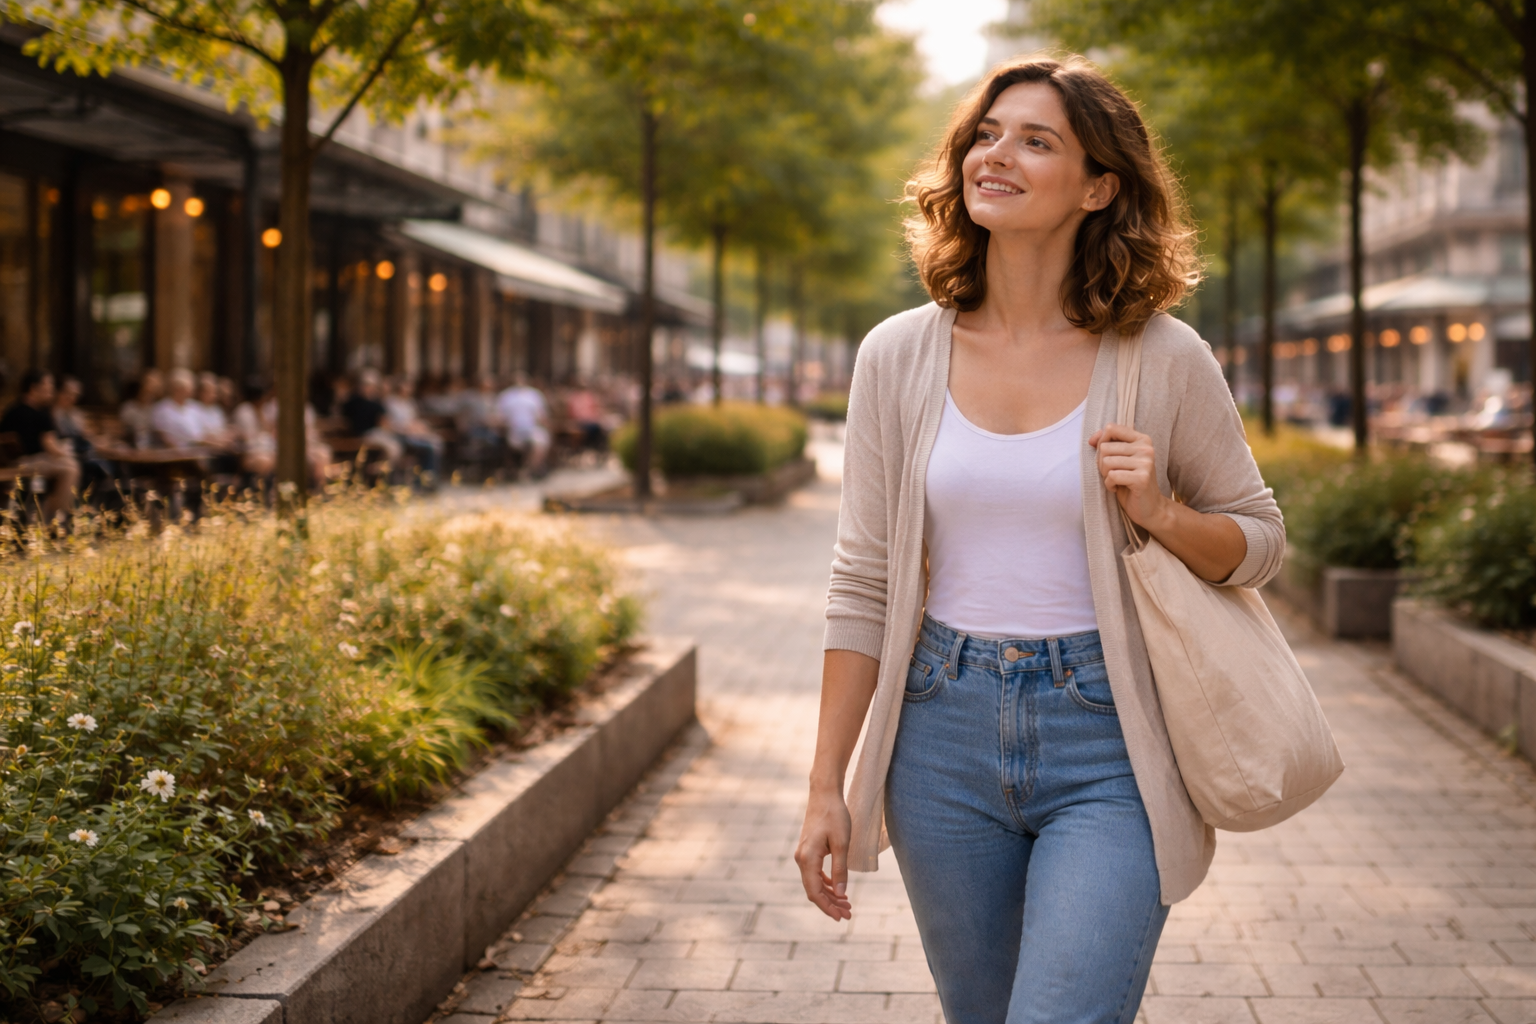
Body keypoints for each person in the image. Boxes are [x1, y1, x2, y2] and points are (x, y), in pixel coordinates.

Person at [795, 55, 1285, 1024]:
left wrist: (1164, 514)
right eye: (985, 133)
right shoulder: (898, 354)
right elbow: (863, 580)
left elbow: (1262, 542)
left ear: (1099, 185)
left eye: (1036, 140)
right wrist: (827, 786)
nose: (997, 154)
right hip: (939, 733)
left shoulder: (1162, 356)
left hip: (1110, 735)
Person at [1, 369, 80, 523]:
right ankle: (51, 521)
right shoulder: (41, 413)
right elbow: (50, 446)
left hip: (15, 463)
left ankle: (50, 517)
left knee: (69, 465)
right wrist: (67, 453)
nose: (51, 390)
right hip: (25, 463)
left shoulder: (12, 410)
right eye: (48, 385)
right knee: (71, 468)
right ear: (34, 387)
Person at [383, 377, 443, 484]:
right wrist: (405, 428)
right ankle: (423, 481)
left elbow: (414, 419)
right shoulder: (390, 402)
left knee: (436, 442)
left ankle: (429, 478)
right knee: (428, 449)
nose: (408, 389)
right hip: (401, 435)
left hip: (414, 434)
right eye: (406, 387)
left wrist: (419, 427)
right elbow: (389, 423)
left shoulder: (410, 403)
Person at [340, 370, 404, 466]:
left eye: (369, 385)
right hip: (363, 434)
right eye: (364, 385)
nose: (366, 388)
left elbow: (383, 421)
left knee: (396, 445)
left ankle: (381, 470)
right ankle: (379, 471)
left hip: (373, 433)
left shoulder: (376, 402)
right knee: (393, 447)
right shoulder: (353, 401)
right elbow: (343, 417)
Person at [496, 373, 550, 478]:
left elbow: (542, 416)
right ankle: (523, 469)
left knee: (540, 443)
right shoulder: (505, 396)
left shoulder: (534, 395)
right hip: (513, 430)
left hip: (532, 429)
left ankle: (529, 469)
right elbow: (499, 417)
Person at [151, 368, 206, 448]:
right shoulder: (161, 409)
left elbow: (202, 434)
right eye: (188, 387)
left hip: (200, 450)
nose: (191, 390)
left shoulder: (195, 406)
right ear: (176, 388)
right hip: (175, 454)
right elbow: (163, 437)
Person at [119, 368, 164, 448]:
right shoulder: (129, 408)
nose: (153, 387)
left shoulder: (158, 409)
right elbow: (123, 433)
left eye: (157, 384)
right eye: (150, 383)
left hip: (154, 450)